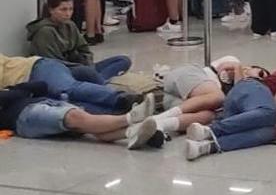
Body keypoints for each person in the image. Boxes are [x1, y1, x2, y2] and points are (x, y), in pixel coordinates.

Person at [0, 82, 159, 149]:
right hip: (24, 115)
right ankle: (131, 117)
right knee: (75, 118)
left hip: (42, 104)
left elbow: (41, 85)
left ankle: (131, 133)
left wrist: (14, 90)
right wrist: (15, 90)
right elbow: (12, 95)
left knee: (86, 127)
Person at [26, 0, 131, 85]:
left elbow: (84, 49)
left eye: (70, 9)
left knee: (123, 60)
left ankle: (96, 81)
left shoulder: (70, 25)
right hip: (62, 71)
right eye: (63, 9)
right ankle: (99, 82)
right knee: (85, 72)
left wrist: (88, 64)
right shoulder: (44, 32)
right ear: (51, 10)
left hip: (79, 66)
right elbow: (52, 64)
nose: (68, 14)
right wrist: (81, 67)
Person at [0, 53, 145, 117]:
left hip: (37, 68)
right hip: (32, 89)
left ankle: (121, 98)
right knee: (68, 104)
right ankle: (123, 114)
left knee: (68, 88)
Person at [184, 66, 276, 160]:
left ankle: (206, 147)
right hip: (250, 86)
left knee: (269, 132)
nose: (264, 78)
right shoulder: (251, 80)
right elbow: (235, 65)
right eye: (262, 73)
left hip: (235, 107)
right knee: (268, 112)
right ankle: (211, 130)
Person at [151, 57, 241, 134]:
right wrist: (239, 71)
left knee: (209, 116)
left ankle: (161, 125)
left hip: (180, 100)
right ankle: (159, 117)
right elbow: (222, 68)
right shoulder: (235, 63)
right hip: (188, 76)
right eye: (255, 73)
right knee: (218, 96)